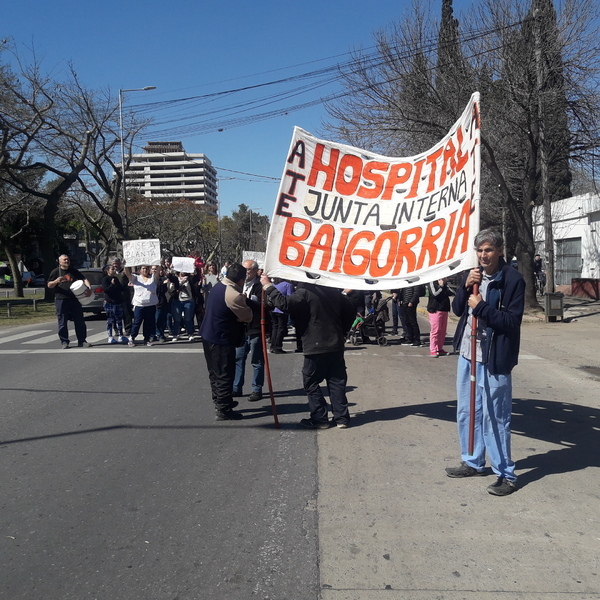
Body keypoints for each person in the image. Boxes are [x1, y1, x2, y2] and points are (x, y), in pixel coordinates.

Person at [445, 228, 525, 496]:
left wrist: (481, 308)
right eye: (479, 250)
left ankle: (505, 474)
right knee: (468, 411)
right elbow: (457, 310)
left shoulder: (513, 279)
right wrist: (465, 286)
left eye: (488, 250)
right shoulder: (473, 275)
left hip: (494, 358)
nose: (483, 255)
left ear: (499, 250)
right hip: (468, 354)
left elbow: (512, 322)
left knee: (496, 417)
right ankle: (472, 460)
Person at [261, 274, 356, 429]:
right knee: (336, 380)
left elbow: (284, 304)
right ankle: (341, 418)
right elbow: (350, 310)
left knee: (311, 381)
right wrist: (342, 331)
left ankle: (320, 418)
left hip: (315, 343)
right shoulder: (333, 291)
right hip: (334, 342)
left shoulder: (305, 291)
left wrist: (268, 286)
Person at [199, 262, 253, 421]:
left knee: (214, 372)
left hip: (208, 334)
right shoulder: (233, 294)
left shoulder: (219, 285)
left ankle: (221, 400)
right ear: (241, 280)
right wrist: (244, 303)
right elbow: (247, 316)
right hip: (220, 338)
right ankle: (223, 409)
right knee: (224, 373)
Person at [233, 260, 265, 402]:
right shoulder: (238, 284)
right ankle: (236, 387)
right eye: (244, 269)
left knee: (256, 360)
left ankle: (256, 389)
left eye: (248, 270)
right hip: (241, 327)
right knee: (239, 358)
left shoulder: (260, 286)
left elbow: (263, 306)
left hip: (254, 327)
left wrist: (247, 301)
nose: (246, 273)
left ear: (255, 271)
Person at [47, 254, 92, 349]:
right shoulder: (55, 272)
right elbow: (49, 285)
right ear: (59, 262)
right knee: (62, 321)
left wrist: (88, 288)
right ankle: (64, 342)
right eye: (64, 260)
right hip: (61, 299)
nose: (66, 261)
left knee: (79, 321)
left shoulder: (74, 271)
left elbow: (84, 279)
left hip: (74, 299)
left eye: (67, 259)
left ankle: (82, 341)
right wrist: (56, 281)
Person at [123, 263, 160, 347]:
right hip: (139, 304)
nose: (145, 270)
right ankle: (132, 338)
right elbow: (128, 274)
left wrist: (159, 264)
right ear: (140, 270)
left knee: (148, 323)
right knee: (137, 322)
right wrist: (125, 265)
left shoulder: (153, 278)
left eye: (147, 269)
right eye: (143, 268)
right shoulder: (136, 278)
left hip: (150, 304)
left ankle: (146, 339)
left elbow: (157, 272)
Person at [427, 278, 453, 357]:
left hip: (444, 309)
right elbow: (434, 294)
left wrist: (445, 284)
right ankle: (433, 349)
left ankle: (439, 348)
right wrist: (441, 286)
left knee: (442, 331)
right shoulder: (432, 282)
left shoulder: (445, 284)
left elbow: (452, 292)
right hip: (435, 310)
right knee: (436, 330)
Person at [102, 264, 126, 344]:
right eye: (112, 269)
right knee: (110, 320)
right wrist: (112, 285)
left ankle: (120, 335)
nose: (114, 270)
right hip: (109, 302)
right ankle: (110, 336)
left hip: (117, 302)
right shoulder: (105, 279)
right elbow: (106, 290)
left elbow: (120, 288)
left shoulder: (115, 278)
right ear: (108, 271)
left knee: (119, 319)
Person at [269, 278, 294, 353]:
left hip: (273, 308)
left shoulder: (273, 285)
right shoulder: (288, 285)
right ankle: (278, 346)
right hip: (282, 309)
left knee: (275, 327)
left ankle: (272, 346)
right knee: (281, 328)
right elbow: (290, 297)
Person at [111, 258, 134, 336]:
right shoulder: (111, 273)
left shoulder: (124, 272)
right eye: (113, 264)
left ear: (119, 264)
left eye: (116, 264)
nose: (115, 265)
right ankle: (117, 330)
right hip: (115, 297)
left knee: (126, 314)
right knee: (115, 314)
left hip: (124, 296)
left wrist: (125, 267)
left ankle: (128, 329)